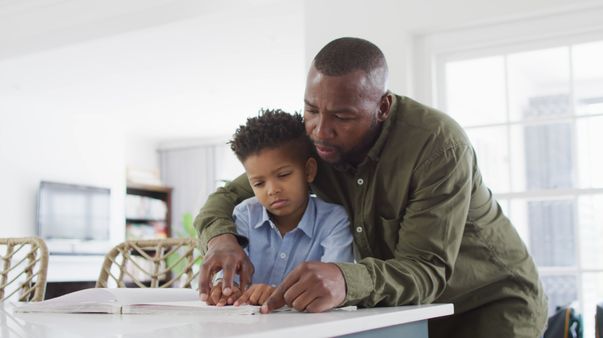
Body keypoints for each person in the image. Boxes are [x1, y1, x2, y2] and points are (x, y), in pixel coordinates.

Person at [195, 37, 548, 337]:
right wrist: (222, 241)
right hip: (404, 311)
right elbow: (225, 198)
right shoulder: (311, 142)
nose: (320, 129)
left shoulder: (438, 145)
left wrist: (346, 280)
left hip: (489, 302)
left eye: (342, 117)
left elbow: (425, 269)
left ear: (382, 106)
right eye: (311, 109)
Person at [206, 109, 354, 307]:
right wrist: (223, 289)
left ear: (309, 171)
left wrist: (281, 295)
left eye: (283, 175)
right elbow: (230, 276)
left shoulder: (334, 220)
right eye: (259, 184)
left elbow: (333, 285)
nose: (272, 190)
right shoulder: (244, 214)